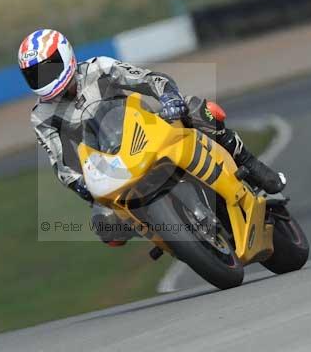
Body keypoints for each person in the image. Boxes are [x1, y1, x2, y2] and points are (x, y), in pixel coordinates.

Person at [19, 29, 286, 246]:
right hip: (111, 165)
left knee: (196, 108)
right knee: (106, 228)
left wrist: (168, 97)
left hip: (149, 130)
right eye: (35, 74)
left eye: (48, 68)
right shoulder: (41, 116)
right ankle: (167, 236)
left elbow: (148, 79)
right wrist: (81, 186)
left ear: (65, 55)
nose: (44, 78)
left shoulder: (99, 68)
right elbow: (60, 162)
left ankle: (249, 163)